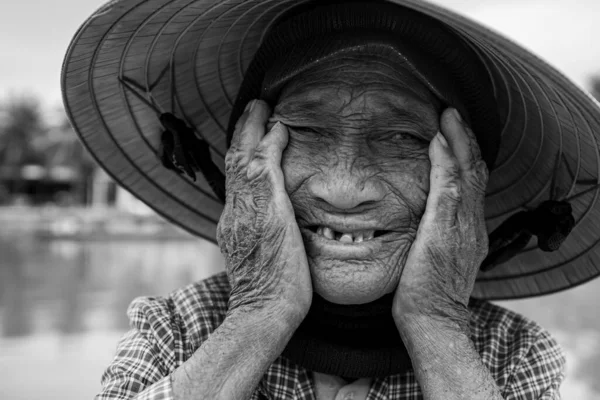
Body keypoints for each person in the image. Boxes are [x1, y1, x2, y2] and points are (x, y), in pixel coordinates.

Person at [61, 0, 600, 399]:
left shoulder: (512, 353)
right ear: (247, 163)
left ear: (465, 181)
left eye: (402, 139)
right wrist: (259, 313)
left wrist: (435, 323)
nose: (343, 188)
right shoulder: (178, 327)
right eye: (307, 131)